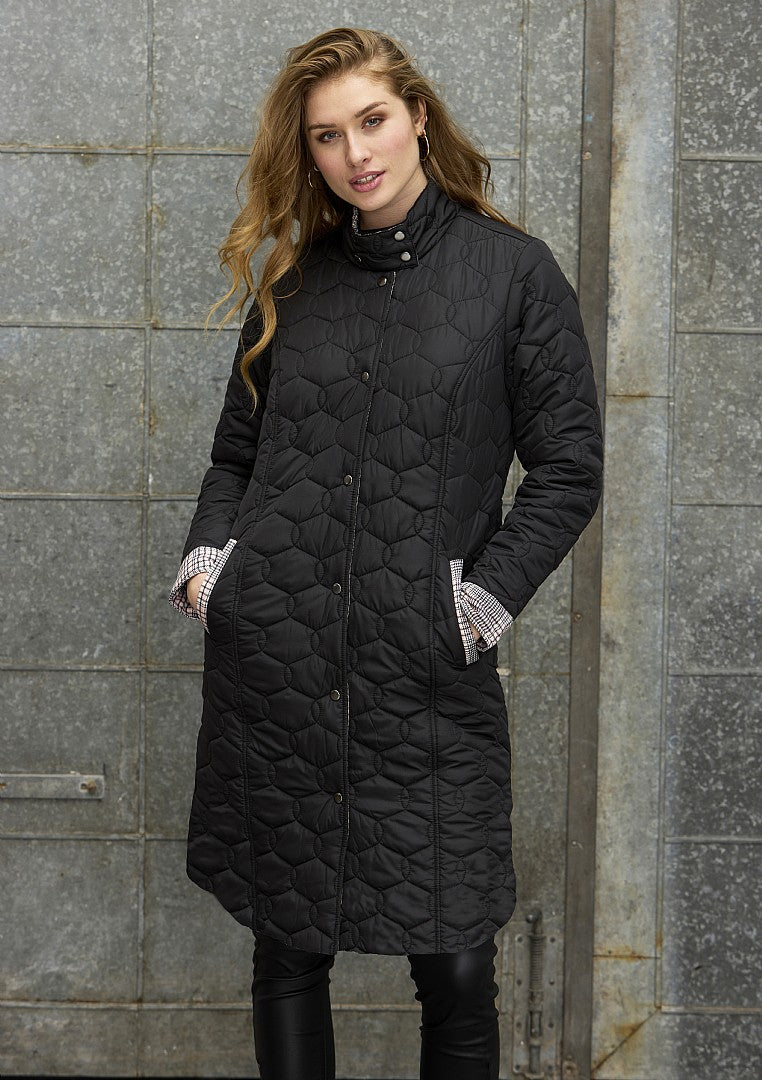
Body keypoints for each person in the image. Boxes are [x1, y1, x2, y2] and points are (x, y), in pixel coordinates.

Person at [168, 26, 603, 1080]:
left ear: (416, 115)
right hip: (278, 675)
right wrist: (210, 570)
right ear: (308, 152)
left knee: (455, 965)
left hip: (424, 679)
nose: (355, 153)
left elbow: (569, 468)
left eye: (371, 121)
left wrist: (476, 605)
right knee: (286, 949)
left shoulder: (513, 275)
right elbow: (236, 455)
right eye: (328, 135)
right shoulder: (295, 279)